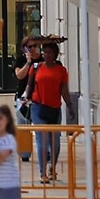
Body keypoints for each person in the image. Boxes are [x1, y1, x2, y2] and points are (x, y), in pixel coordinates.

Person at [29, 41, 71, 183]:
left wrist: (70, 105)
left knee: (55, 142)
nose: (46, 55)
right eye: (44, 52)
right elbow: (29, 85)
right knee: (42, 139)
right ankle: (42, 173)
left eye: (50, 52)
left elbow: (64, 90)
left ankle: (52, 167)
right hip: (38, 107)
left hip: (54, 108)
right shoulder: (36, 67)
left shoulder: (61, 71)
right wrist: (26, 100)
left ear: (55, 55)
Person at [13, 36, 41, 163]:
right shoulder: (20, 59)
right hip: (23, 98)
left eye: (35, 46)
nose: (33, 49)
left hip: (39, 97)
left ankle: (45, 151)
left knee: (40, 125)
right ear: (24, 48)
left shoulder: (42, 59)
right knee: (23, 125)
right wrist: (28, 62)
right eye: (30, 47)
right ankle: (24, 153)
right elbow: (19, 75)